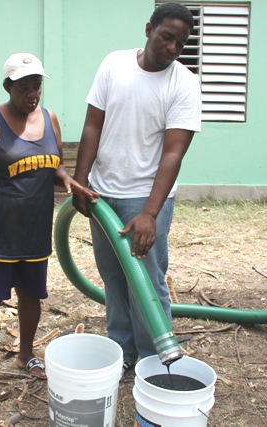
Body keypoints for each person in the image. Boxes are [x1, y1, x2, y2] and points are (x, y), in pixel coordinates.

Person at [0, 53, 98, 411]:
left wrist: (70, 182)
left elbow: (54, 166)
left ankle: (26, 354)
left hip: (35, 231)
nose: (32, 94)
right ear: (8, 87)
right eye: (24, 88)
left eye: (37, 87)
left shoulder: (49, 118)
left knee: (31, 295)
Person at [72, 2, 202, 373]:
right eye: (166, 37)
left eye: (181, 43)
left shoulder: (185, 84)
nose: (173, 48)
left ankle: (154, 359)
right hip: (102, 194)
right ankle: (122, 351)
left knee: (146, 281)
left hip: (144, 198)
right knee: (114, 276)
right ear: (148, 29)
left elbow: (174, 153)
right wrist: (81, 180)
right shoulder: (114, 64)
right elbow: (93, 125)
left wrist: (150, 212)